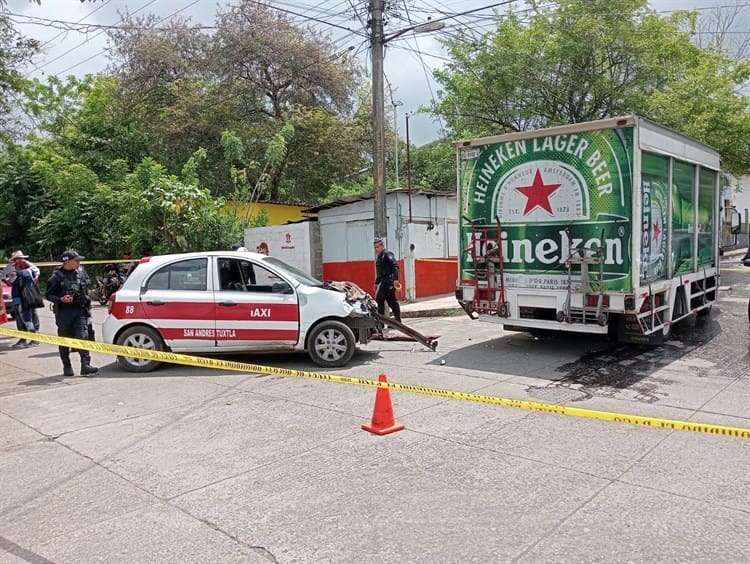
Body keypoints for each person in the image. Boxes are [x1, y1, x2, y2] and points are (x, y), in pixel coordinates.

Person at [45, 249, 98, 377]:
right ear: (67, 261)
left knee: (83, 336)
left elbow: (86, 289)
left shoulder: (80, 273)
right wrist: (61, 299)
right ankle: (67, 366)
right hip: (64, 313)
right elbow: (48, 295)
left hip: (80, 310)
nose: (79, 262)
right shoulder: (56, 277)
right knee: (65, 340)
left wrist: (88, 307)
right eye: (76, 260)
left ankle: (85, 365)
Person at [5, 251, 41, 348]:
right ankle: (23, 339)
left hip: (29, 295)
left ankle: (35, 338)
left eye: (20, 258)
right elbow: (3, 276)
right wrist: (9, 281)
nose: (19, 260)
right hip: (17, 295)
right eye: (17, 258)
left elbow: (37, 272)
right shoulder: (10, 267)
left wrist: (35, 277)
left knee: (32, 314)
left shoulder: (29, 266)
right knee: (19, 315)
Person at [373, 237, 401, 333]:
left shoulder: (387, 255)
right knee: (392, 301)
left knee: (379, 301)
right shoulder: (379, 258)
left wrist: (396, 279)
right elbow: (380, 273)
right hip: (384, 281)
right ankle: (397, 321)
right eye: (375, 247)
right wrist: (376, 283)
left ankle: (380, 324)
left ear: (382, 246)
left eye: (377, 247)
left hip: (389, 282)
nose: (376, 249)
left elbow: (395, 267)